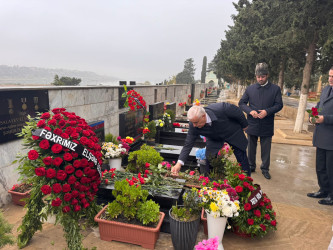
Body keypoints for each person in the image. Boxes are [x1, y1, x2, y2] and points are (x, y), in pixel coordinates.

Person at [171, 103, 251, 176]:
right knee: (210, 161)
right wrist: (179, 164)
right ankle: (211, 183)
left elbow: (237, 111)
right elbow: (188, 144)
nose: (194, 125)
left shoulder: (221, 109)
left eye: (196, 122)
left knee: (241, 158)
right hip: (214, 138)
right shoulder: (193, 125)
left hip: (231, 133)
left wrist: (245, 125)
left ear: (203, 116)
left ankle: (247, 181)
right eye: (193, 123)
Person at [238, 63, 283, 179]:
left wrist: (267, 111)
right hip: (252, 123)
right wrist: (250, 111)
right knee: (251, 147)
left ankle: (265, 169)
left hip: (267, 123)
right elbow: (241, 103)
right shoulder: (250, 88)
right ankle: (251, 166)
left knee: (266, 148)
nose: (260, 79)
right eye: (258, 77)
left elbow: (279, 105)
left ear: (267, 75)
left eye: (262, 77)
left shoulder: (275, 89)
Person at [307, 66, 333, 206]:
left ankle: (332, 195)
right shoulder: (326, 90)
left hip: (331, 138)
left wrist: (325, 119)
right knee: (320, 166)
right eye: (329, 76)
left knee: (331, 169)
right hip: (321, 135)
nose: (330, 79)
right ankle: (323, 189)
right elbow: (319, 105)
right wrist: (313, 115)